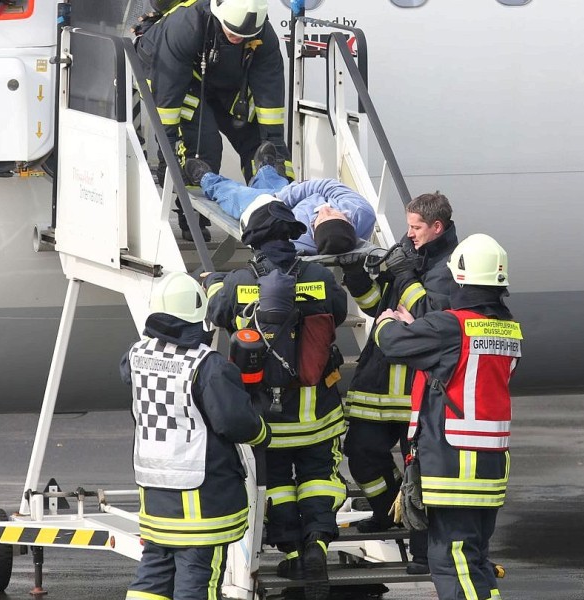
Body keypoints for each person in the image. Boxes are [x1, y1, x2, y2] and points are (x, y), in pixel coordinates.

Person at [203, 196, 348, 600]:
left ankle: (290, 549)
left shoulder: (239, 281)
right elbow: (336, 312)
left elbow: (218, 313)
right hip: (318, 411)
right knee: (321, 477)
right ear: (290, 234)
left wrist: (214, 282)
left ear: (255, 240)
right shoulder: (319, 274)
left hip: (268, 417)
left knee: (279, 483)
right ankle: (316, 544)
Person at [374, 233, 522, 600]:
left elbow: (393, 343)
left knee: (451, 561)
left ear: (460, 278)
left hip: (454, 467)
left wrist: (387, 319)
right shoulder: (508, 329)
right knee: (475, 561)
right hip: (489, 467)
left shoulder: (450, 327)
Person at [120, 271, 270, 600]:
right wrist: (262, 430)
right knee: (198, 581)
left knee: (152, 578)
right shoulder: (208, 366)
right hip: (202, 512)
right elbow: (235, 422)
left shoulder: (136, 356)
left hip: (156, 506)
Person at [339, 192, 459, 575]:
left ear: (436, 227)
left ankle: (424, 552)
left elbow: (428, 315)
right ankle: (389, 512)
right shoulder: (408, 251)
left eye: (416, 227)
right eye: (408, 226)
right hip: (377, 385)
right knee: (361, 455)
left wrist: (405, 275)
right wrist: (356, 274)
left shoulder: (448, 267)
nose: (409, 234)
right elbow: (378, 306)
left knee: (420, 471)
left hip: (416, 390)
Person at [138, 0, 291, 240]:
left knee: (259, 143)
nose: (237, 38)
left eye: (244, 36)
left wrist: (277, 152)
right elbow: (167, 101)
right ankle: (192, 216)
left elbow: (270, 99)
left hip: (220, 78)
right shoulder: (186, 27)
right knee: (204, 145)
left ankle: (270, 207)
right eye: (232, 32)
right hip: (173, 76)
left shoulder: (263, 36)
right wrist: (166, 152)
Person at [183, 144, 377, 255]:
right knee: (281, 189)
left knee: (235, 195)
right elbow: (326, 185)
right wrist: (281, 197)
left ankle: (207, 179)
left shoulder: (299, 242)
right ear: (347, 219)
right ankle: (267, 171)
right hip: (290, 198)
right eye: (333, 212)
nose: (325, 209)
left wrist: (273, 203)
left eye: (321, 218)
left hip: (269, 214)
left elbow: (268, 230)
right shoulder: (360, 211)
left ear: (312, 230)